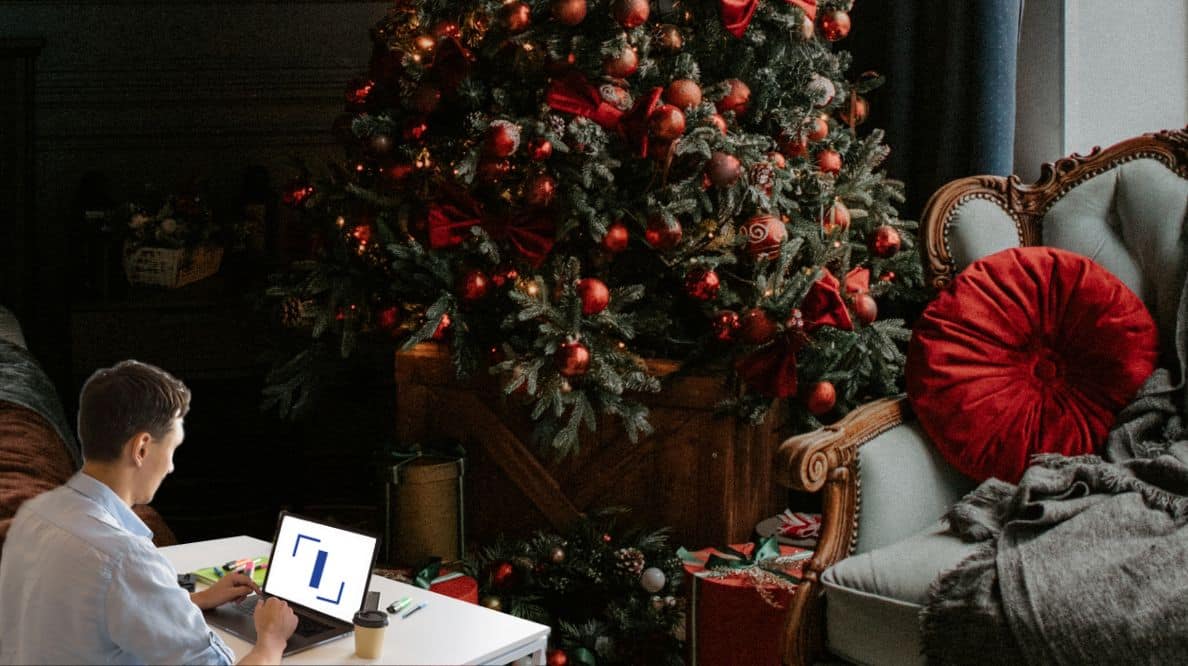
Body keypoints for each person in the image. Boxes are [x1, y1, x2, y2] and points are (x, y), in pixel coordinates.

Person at [0, 360, 297, 664]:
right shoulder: (125, 558)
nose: (170, 466)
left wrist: (190, 601)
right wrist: (271, 639)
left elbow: (86, 610)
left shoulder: (37, 517)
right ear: (142, 448)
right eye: (171, 448)